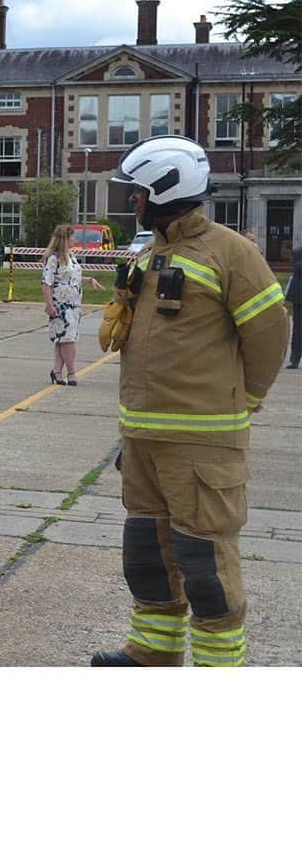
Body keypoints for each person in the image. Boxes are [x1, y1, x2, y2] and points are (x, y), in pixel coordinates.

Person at [92, 136, 287, 667]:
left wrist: (243, 400)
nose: (131, 200)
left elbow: (271, 334)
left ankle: (217, 671)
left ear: (166, 187)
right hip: (144, 439)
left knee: (205, 562)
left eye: (137, 192)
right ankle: (152, 652)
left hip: (201, 443)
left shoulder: (230, 253)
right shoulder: (153, 250)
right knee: (147, 554)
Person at [41, 224, 104, 385]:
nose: (74, 240)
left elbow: (71, 278)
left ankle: (56, 371)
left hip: (74, 305)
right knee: (68, 340)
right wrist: (49, 305)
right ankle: (71, 372)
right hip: (60, 305)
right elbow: (46, 282)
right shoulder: (53, 258)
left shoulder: (71, 256)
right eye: (71, 237)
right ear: (64, 239)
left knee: (63, 339)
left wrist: (89, 280)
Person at [286, 246, 302, 369]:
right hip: (299, 298)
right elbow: (298, 268)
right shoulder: (297, 252)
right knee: (298, 330)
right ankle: (294, 360)